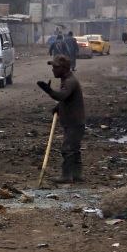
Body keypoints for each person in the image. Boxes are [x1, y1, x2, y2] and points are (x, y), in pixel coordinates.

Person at [36, 55, 85, 184]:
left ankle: (67, 175)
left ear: (64, 68)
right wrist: (59, 107)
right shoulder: (66, 80)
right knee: (74, 148)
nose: (53, 70)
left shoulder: (70, 82)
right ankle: (76, 174)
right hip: (73, 121)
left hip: (74, 122)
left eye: (56, 67)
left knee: (68, 148)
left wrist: (49, 91)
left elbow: (62, 96)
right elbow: (67, 99)